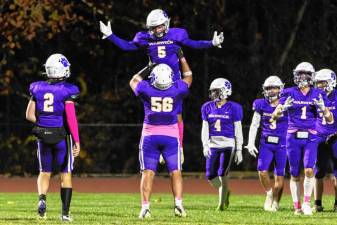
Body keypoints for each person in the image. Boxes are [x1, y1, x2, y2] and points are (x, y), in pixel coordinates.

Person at [100, 9, 223, 161]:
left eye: (159, 26)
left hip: (174, 80)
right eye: (153, 28)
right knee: (154, 113)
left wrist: (211, 43)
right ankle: (157, 147)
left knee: (177, 114)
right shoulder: (144, 37)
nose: (157, 30)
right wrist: (111, 36)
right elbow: (128, 46)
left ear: (166, 24)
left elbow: (193, 44)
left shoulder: (177, 34)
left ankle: (178, 146)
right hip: (155, 81)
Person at [129, 61, 192, 219]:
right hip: (171, 136)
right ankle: (178, 205)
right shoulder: (177, 90)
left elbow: (133, 80)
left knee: (148, 173)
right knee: (175, 172)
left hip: (150, 136)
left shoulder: (147, 89)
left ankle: (145, 208)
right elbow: (188, 77)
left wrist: (147, 67)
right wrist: (182, 59)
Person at [270, 62, 333, 215]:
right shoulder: (289, 92)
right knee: (294, 173)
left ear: (311, 76)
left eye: (306, 73)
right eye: (300, 73)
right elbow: (273, 117)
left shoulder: (319, 93)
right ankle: (297, 206)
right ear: (295, 75)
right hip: (292, 136)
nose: (302, 77)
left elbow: (330, 120)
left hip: (311, 135)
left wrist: (324, 109)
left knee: (309, 169)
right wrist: (281, 110)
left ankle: (306, 203)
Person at [25, 53, 80, 221]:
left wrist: (43, 124)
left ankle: (42, 200)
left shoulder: (37, 87)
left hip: (43, 135)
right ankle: (65, 214)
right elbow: (71, 118)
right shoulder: (67, 90)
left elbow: (29, 115)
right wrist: (77, 140)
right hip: (61, 136)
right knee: (65, 174)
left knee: (44, 172)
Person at [246, 76, 287, 212]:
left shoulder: (287, 103)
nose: (271, 91)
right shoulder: (260, 104)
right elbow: (254, 124)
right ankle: (269, 194)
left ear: (280, 89)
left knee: (279, 175)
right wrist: (250, 142)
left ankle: (276, 202)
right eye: (268, 88)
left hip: (282, 143)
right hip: (266, 143)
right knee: (262, 170)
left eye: (274, 87)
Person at [200, 78, 243, 211]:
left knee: (222, 173)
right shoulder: (207, 107)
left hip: (228, 144)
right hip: (213, 144)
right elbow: (205, 128)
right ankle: (225, 191)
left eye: (217, 91)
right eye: (213, 92)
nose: (214, 94)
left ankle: (221, 204)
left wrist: (239, 149)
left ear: (225, 91)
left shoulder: (234, 107)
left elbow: (238, 129)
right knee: (210, 175)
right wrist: (205, 145)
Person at [312, 68, 337, 212]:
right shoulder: (314, 96)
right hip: (319, 137)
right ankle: (317, 203)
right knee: (318, 171)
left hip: (335, 137)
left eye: (322, 82)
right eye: (318, 83)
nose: (319, 85)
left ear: (331, 81)